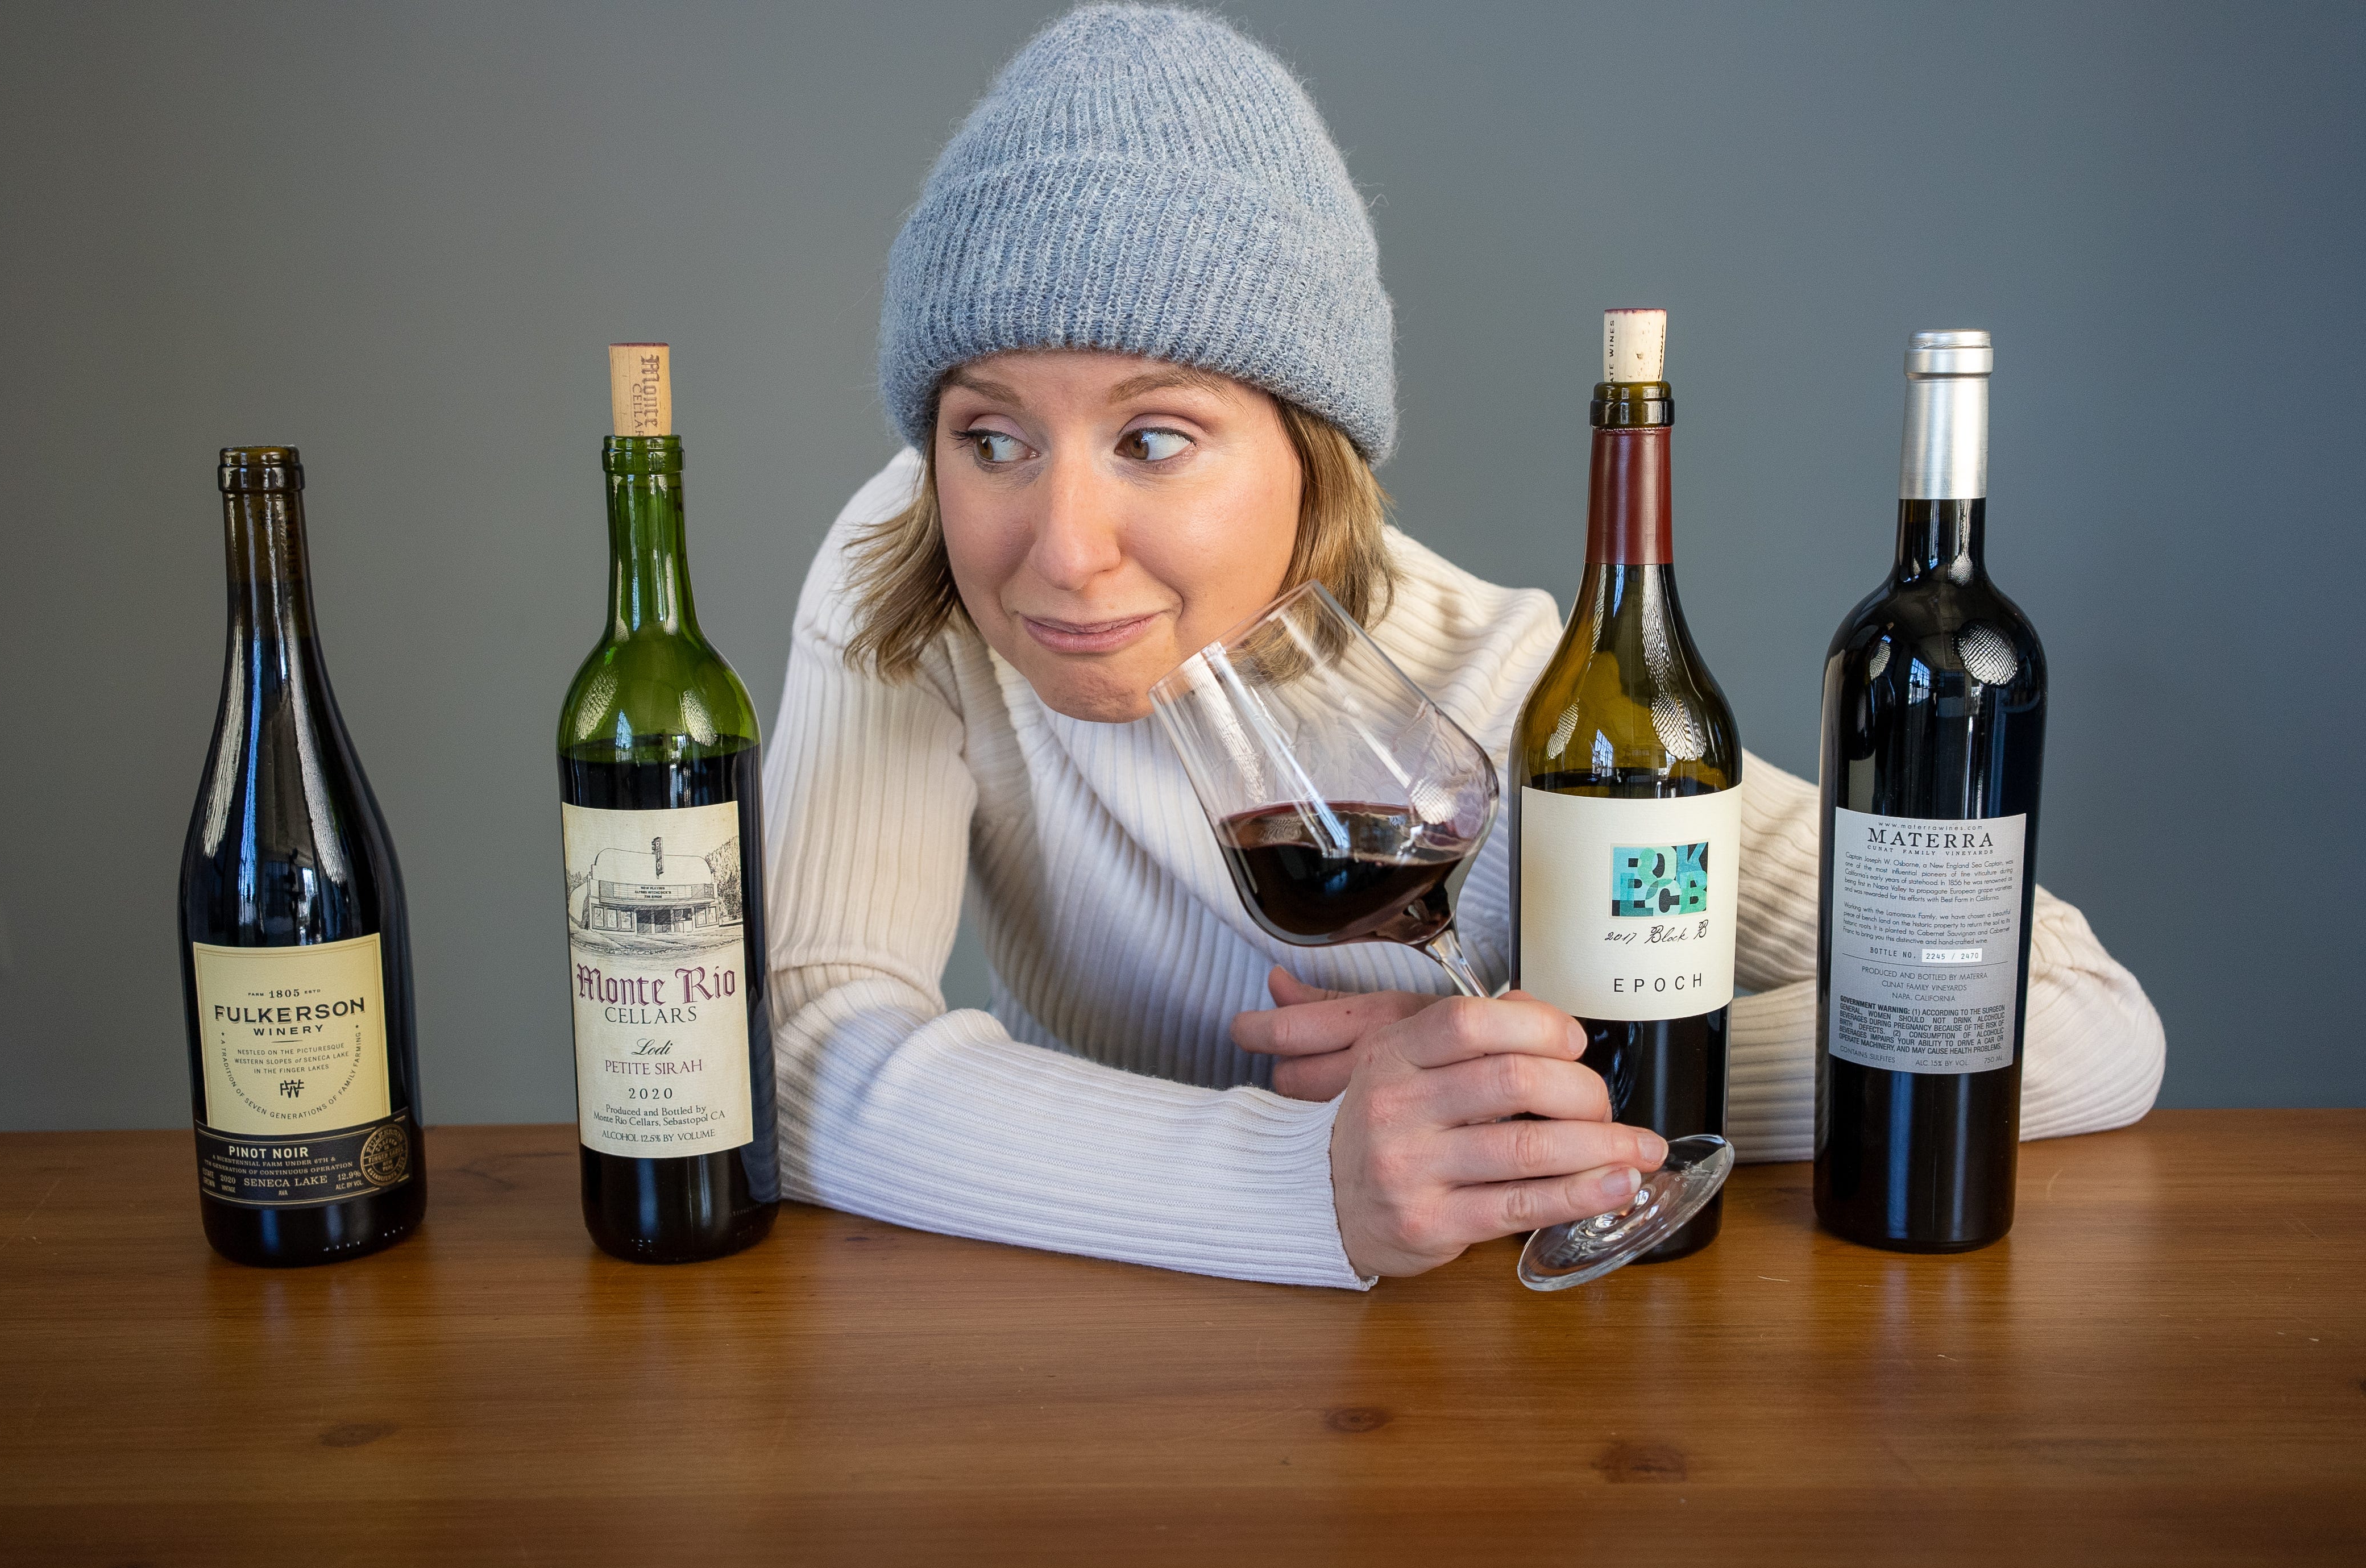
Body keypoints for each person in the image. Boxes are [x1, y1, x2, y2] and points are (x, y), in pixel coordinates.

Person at [761, 4, 2164, 1287]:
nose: (1061, 548)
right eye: (989, 437)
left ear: (1313, 451)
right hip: (1061, 1338)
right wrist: (1305, 1178)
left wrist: (1542, 1083)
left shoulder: (1503, 701)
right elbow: (795, 1055)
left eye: (1154, 437)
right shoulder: (908, 570)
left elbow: (2073, 1013)